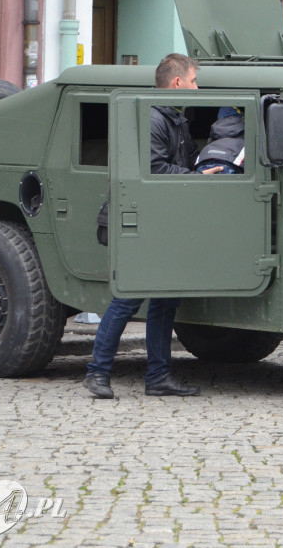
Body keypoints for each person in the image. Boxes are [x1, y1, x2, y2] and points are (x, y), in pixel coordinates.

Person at [84, 53, 205, 399]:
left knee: (166, 302)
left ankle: (158, 376)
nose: (198, 87)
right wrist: (196, 176)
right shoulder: (153, 117)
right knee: (127, 298)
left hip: (163, 222)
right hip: (139, 221)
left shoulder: (175, 119)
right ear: (178, 83)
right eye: (194, 80)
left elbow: (181, 162)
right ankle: (97, 373)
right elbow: (155, 169)